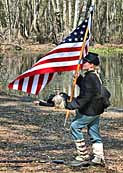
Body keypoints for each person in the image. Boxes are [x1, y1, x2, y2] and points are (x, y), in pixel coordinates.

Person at [66, 52, 108, 167]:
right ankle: (98, 158)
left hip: (90, 110)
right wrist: (79, 79)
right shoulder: (93, 76)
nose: (82, 63)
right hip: (96, 109)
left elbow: (86, 96)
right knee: (93, 131)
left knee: (75, 126)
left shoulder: (91, 77)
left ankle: (83, 156)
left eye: (85, 62)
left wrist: (72, 104)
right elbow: (88, 88)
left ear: (91, 65)